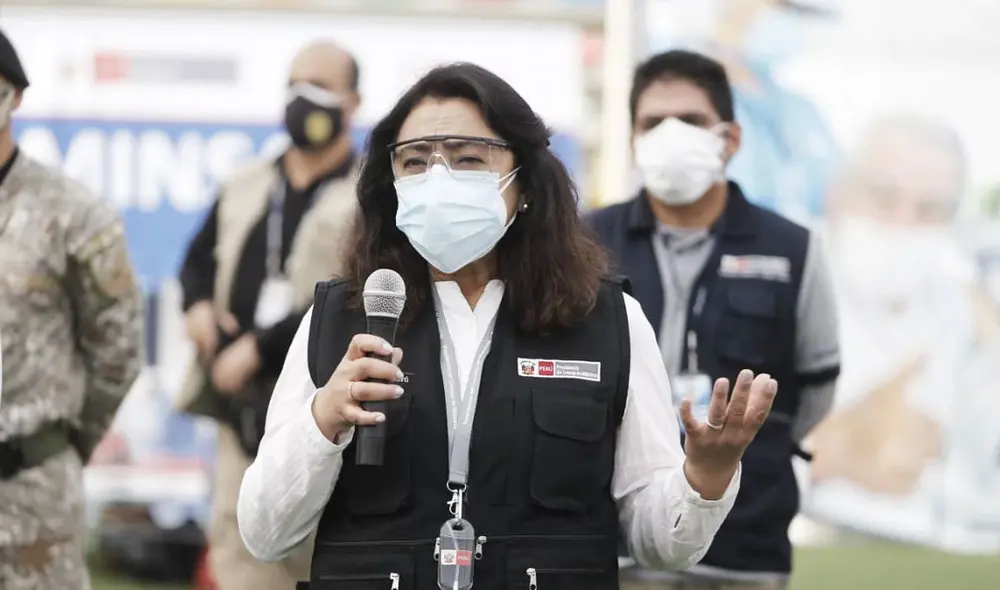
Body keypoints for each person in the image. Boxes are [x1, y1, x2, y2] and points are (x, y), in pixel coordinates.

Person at [237, 62, 781, 590]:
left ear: (524, 184)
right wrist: (322, 422)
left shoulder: (608, 320)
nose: (438, 178)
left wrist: (705, 476)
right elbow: (265, 534)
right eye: (415, 161)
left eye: (469, 158)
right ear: (390, 180)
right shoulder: (337, 318)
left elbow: (660, 547)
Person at [587, 50, 840, 590]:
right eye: (653, 123)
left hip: (744, 544)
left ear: (730, 138)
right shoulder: (585, 242)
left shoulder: (793, 248)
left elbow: (816, 386)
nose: (671, 135)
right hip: (615, 542)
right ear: (633, 139)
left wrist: (746, 446)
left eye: (692, 121)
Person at [174, 41, 362, 590]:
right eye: (295, 84)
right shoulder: (248, 181)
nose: (306, 99)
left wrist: (259, 347)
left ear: (353, 101)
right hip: (242, 420)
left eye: (322, 86)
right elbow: (195, 262)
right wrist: (198, 308)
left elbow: (354, 292)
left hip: (324, 419)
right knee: (238, 554)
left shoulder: (369, 195)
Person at [800, 114, 1000, 552]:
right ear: (839, 194)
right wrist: (842, 448)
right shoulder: (781, 283)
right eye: (883, 197)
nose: (904, 223)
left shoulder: (964, 307)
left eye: (930, 211)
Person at [0, 28, 145, 590]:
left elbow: (118, 348)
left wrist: (60, 443)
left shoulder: (74, 214)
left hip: (32, 497)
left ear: (14, 97)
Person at [643, 0, 840, 222]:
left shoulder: (794, 108)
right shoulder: (670, 89)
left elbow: (837, 188)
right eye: (782, 7)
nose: (789, 22)